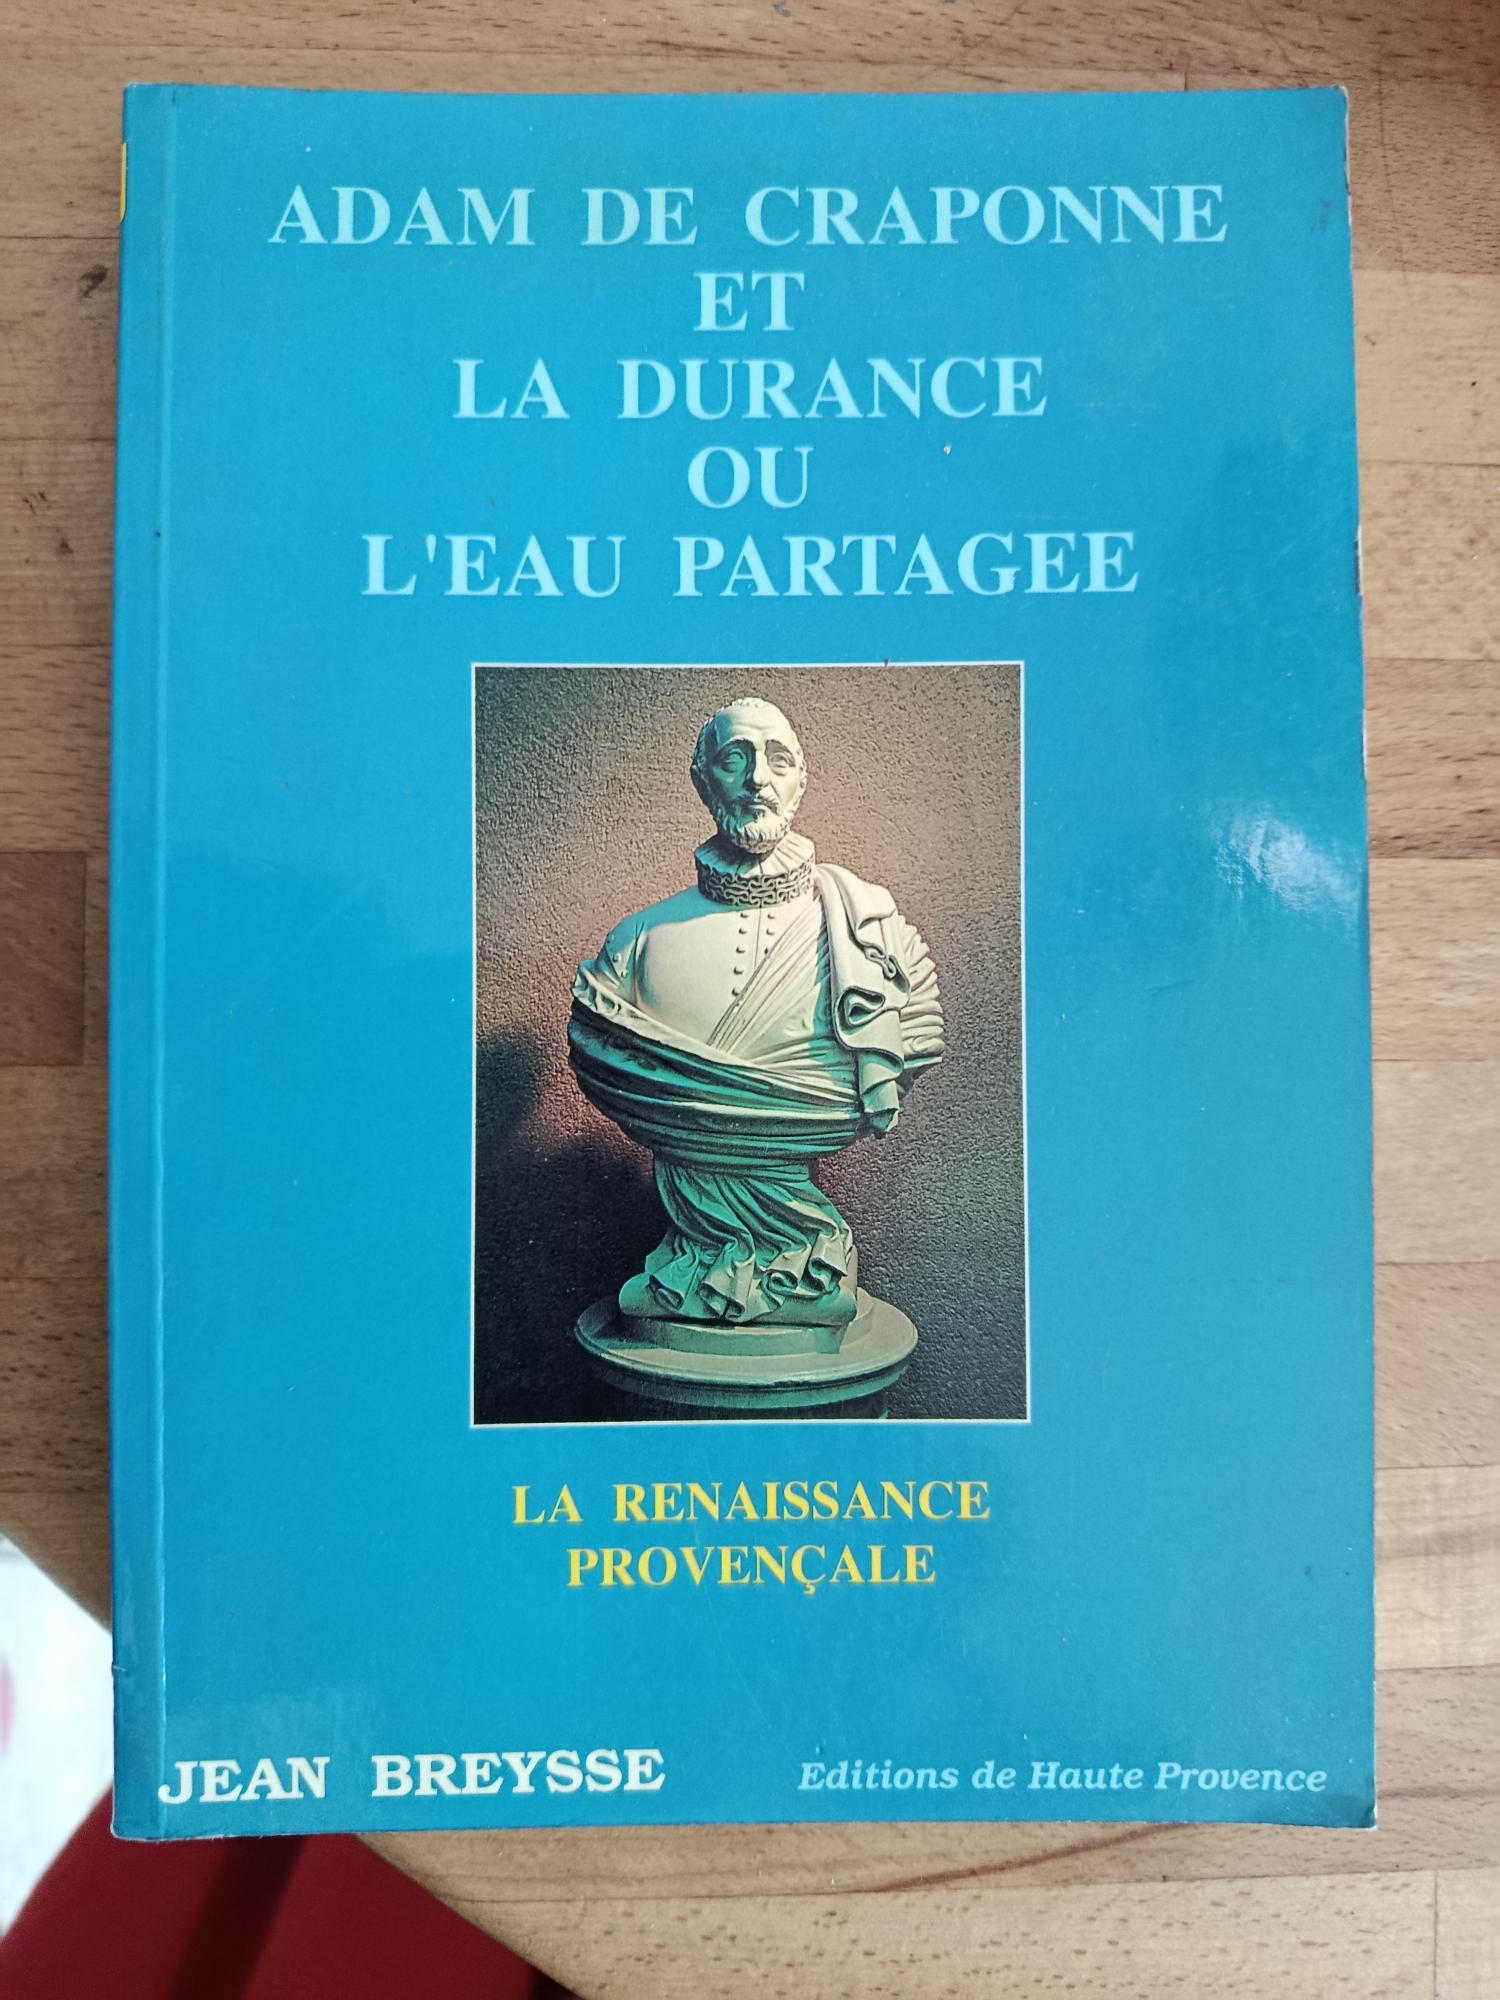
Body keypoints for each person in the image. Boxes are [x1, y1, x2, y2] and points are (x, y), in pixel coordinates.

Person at [569, 695, 943, 1330]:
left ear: (802, 779)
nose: (757, 780)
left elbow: (920, 1037)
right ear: (701, 779)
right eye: (734, 759)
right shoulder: (633, 947)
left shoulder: (880, 943)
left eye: (778, 760)